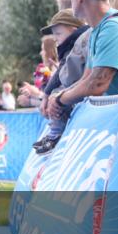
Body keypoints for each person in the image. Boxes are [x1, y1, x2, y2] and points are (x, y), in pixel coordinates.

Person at [32, 9, 90, 154]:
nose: (55, 39)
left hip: (82, 94)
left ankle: (55, 135)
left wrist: (52, 95)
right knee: (55, 94)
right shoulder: (69, 47)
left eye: (58, 34)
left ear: (73, 30)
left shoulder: (78, 44)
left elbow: (68, 75)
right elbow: (61, 72)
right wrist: (47, 94)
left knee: (58, 96)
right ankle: (54, 132)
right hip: (77, 91)